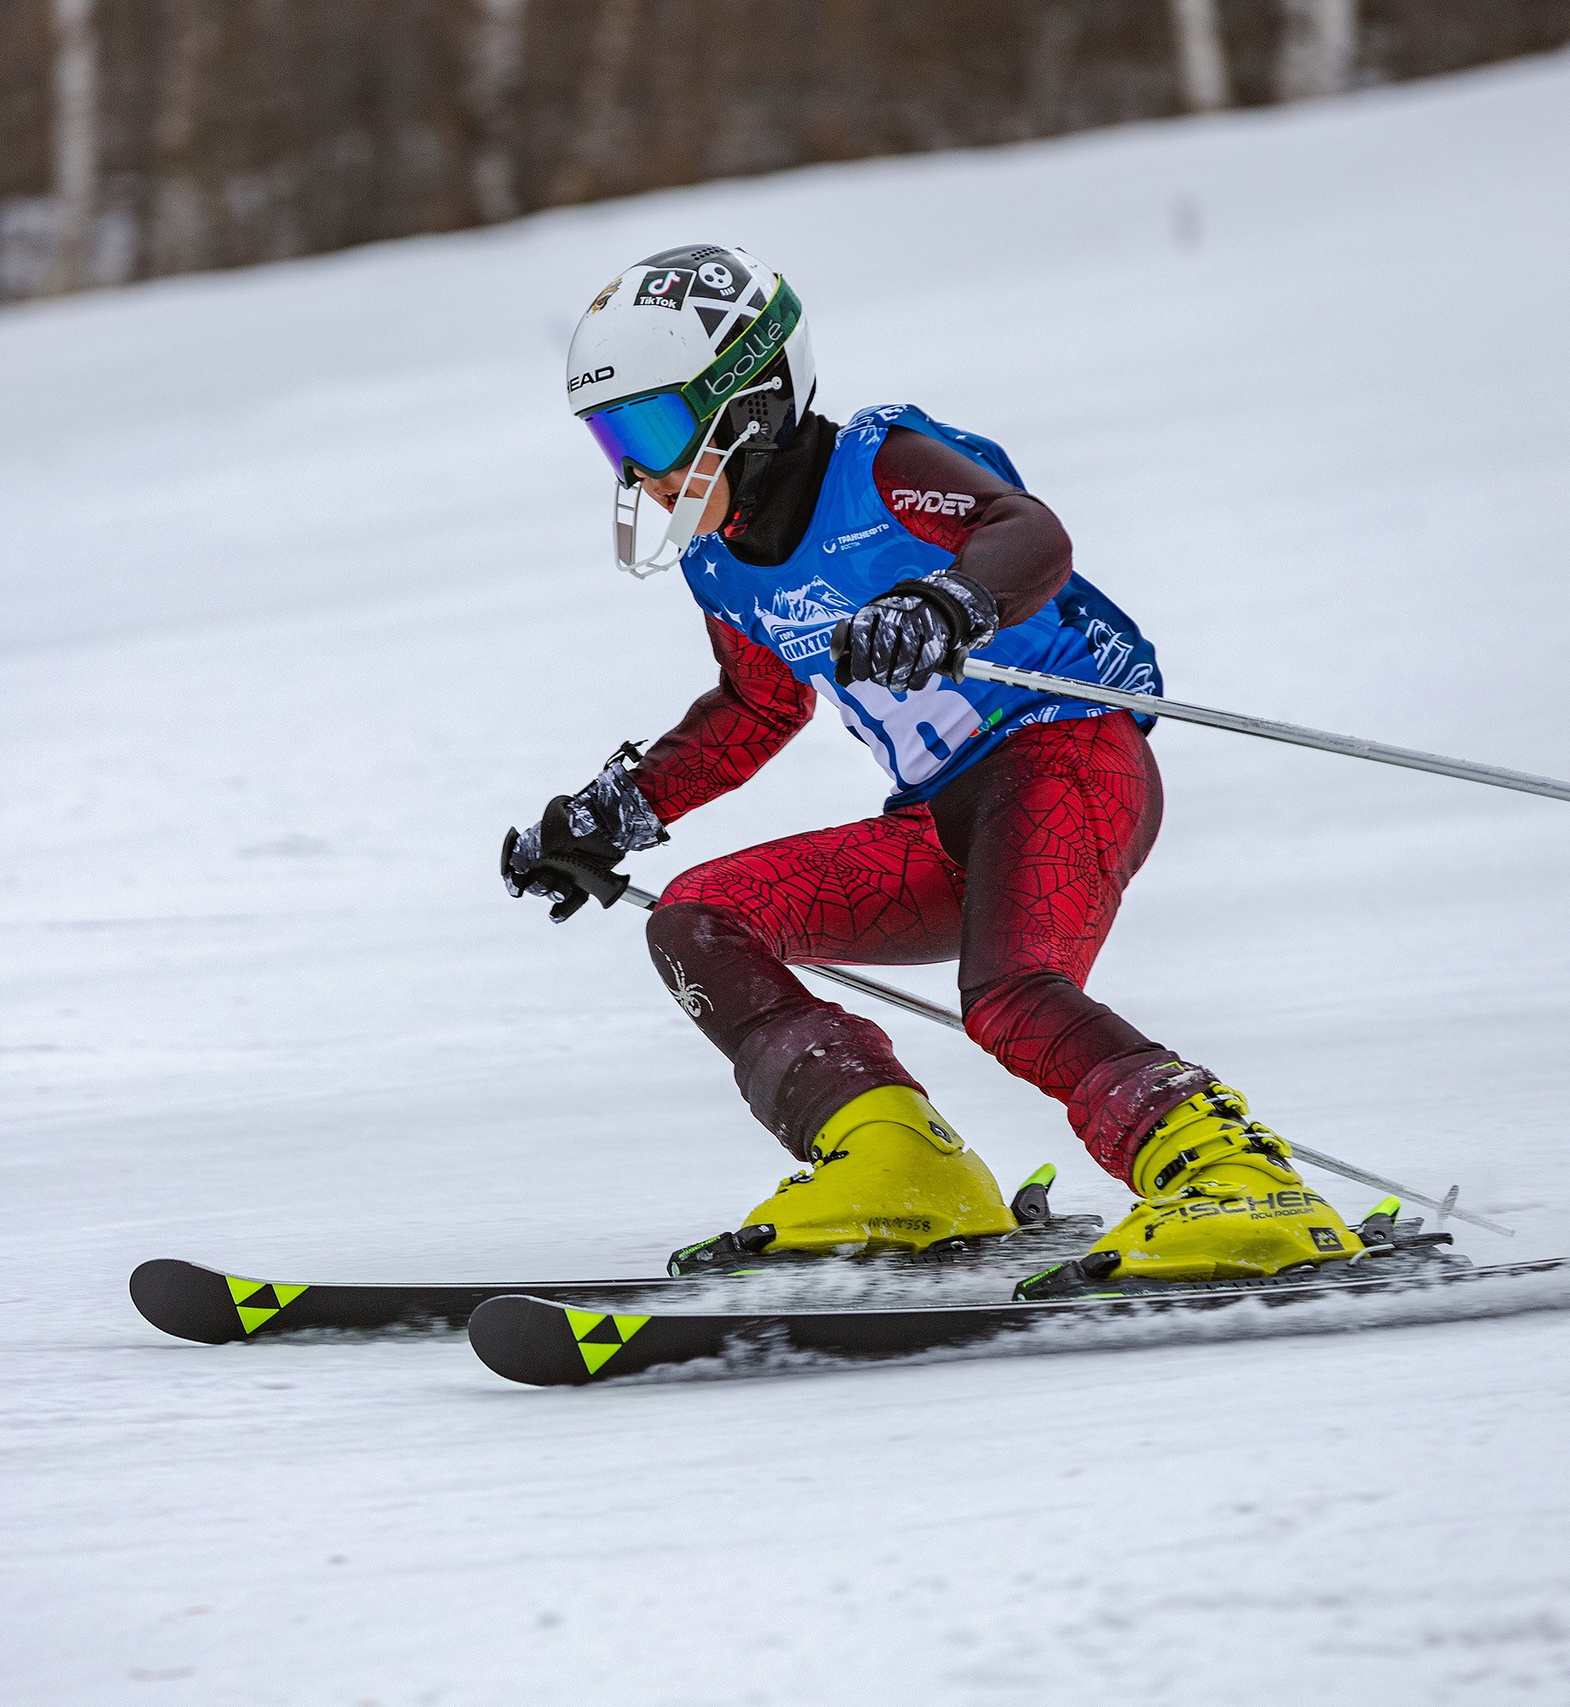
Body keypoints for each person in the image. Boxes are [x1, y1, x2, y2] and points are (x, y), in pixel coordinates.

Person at [505, 244, 1363, 1286]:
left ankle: (1234, 1178)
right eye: (613, 443)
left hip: (1066, 755)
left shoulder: (879, 465)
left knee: (1007, 992)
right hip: (940, 818)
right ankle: (900, 1168)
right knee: (696, 918)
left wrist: (951, 601)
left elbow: (1027, 532)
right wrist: (620, 808)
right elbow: (756, 704)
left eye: (651, 430)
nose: (639, 470)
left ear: (749, 400)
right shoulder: (720, 560)